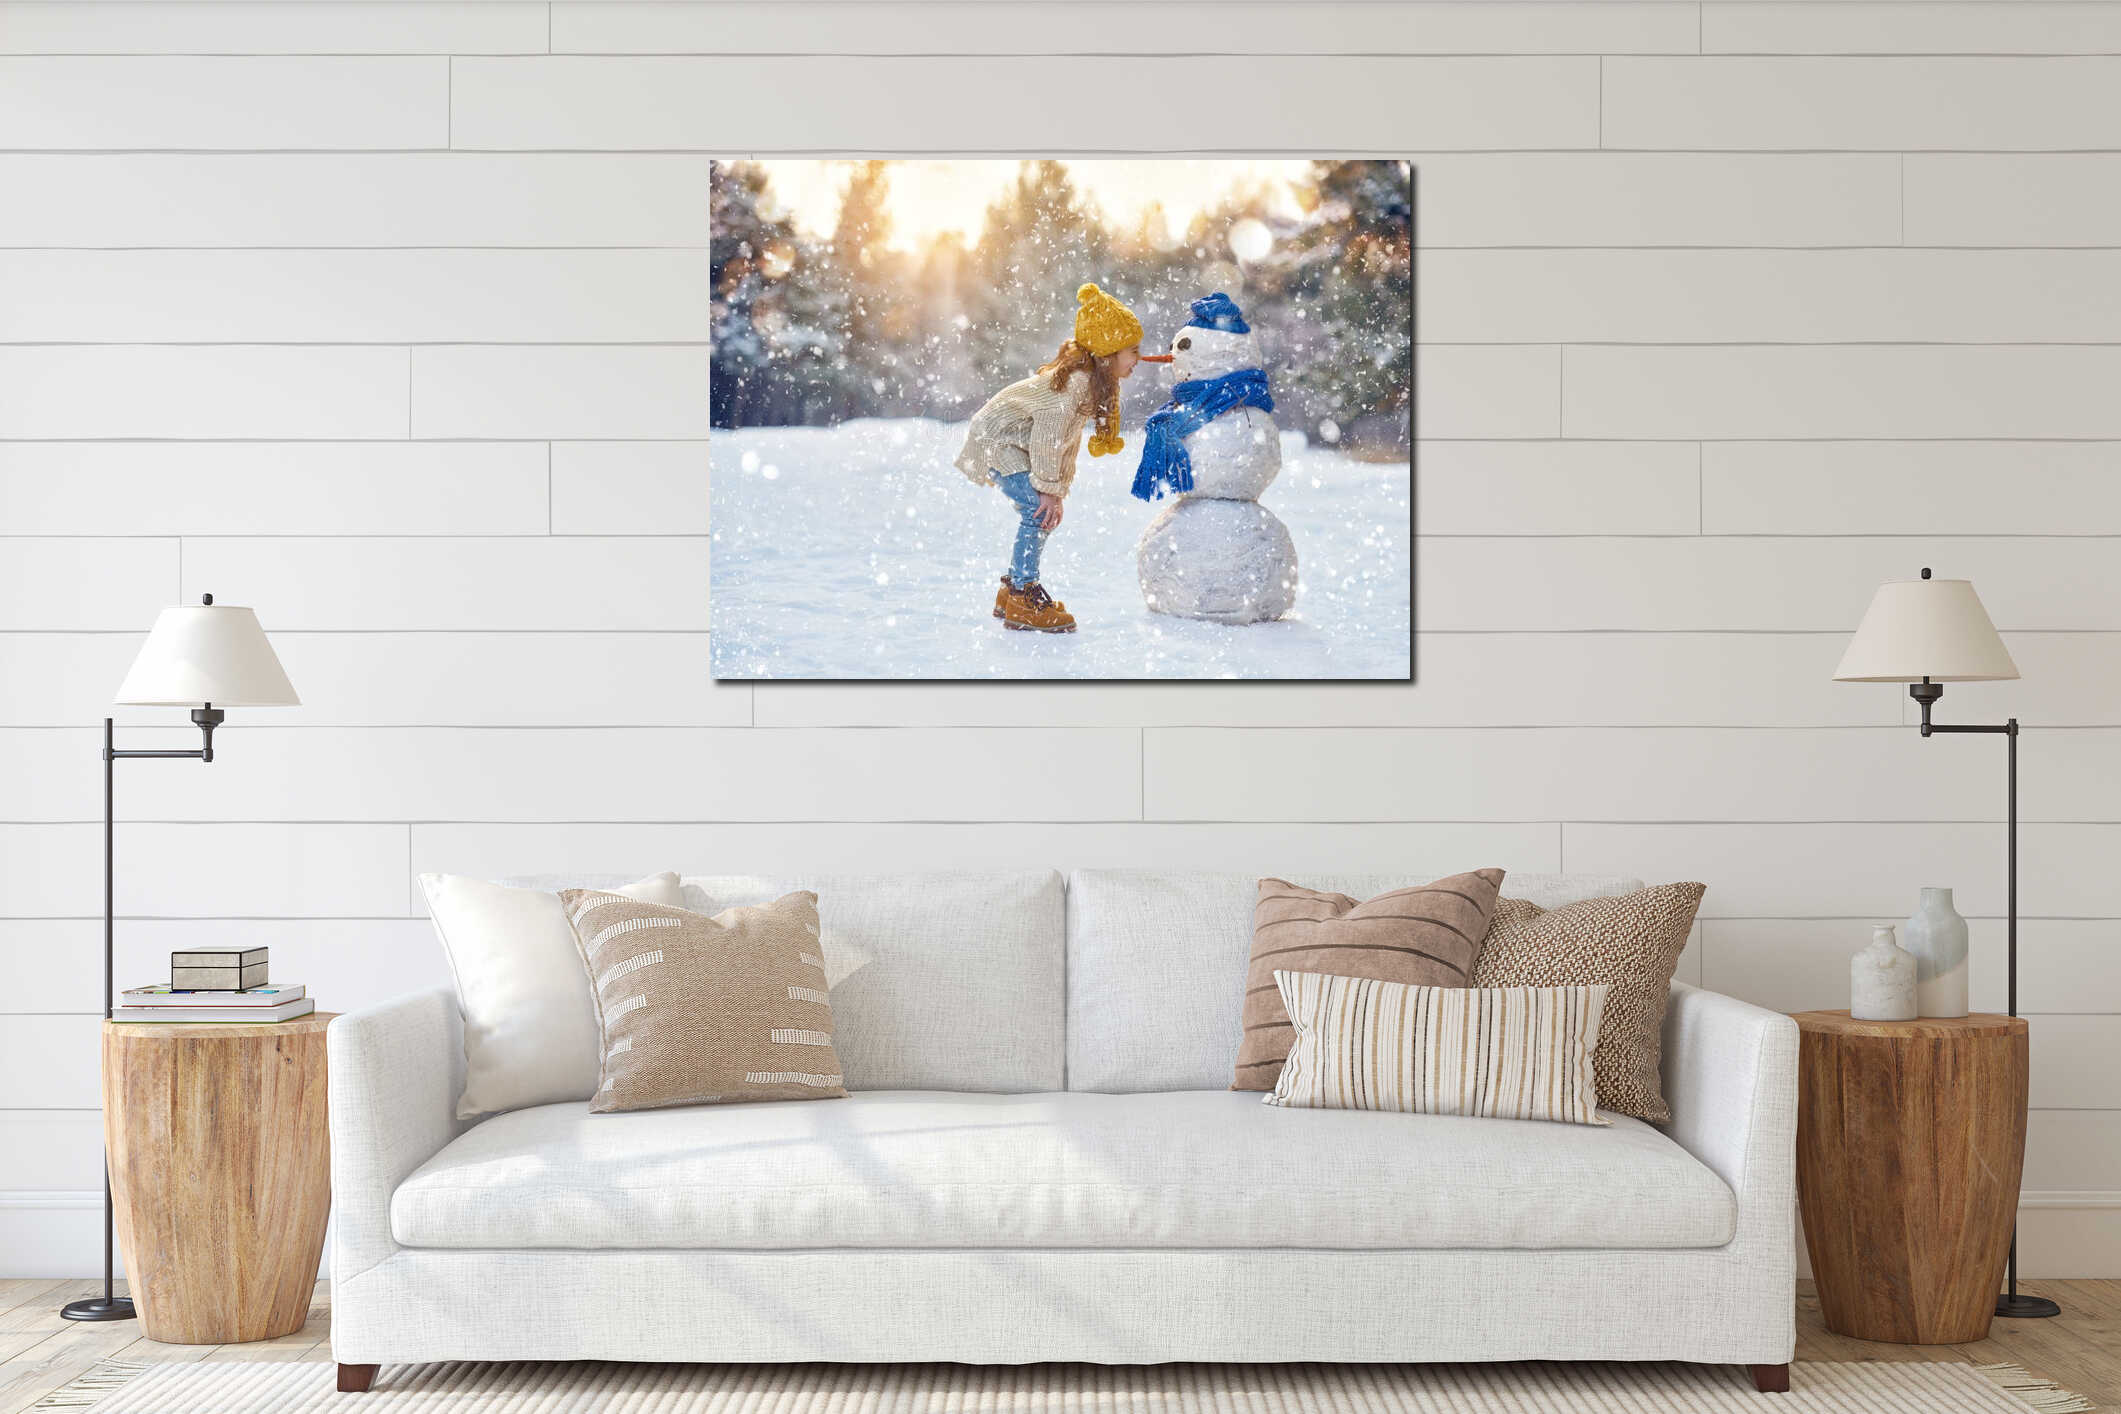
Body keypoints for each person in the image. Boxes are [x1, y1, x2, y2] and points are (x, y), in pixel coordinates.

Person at [954, 283, 1145, 633]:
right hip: (998, 440)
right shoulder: (1076, 384)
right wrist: (1047, 490)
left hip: (1014, 442)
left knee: (1041, 511)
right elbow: (1047, 438)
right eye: (1132, 350)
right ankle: (1024, 596)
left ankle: (1011, 592)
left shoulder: (1092, 383)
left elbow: (1064, 444)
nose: (1139, 358)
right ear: (1108, 352)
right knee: (1037, 512)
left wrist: (1057, 488)